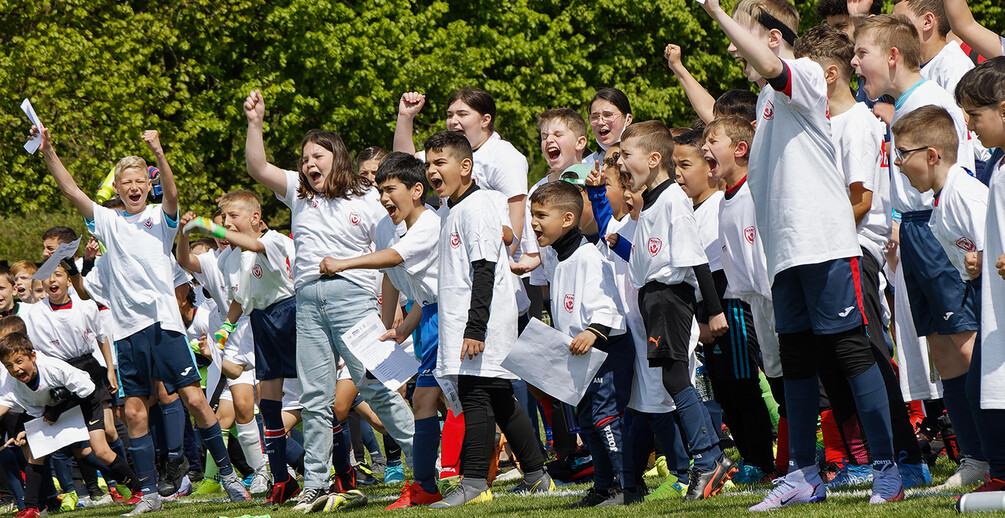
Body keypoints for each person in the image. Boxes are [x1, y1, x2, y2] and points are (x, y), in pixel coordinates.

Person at [702, 0, 903, 507]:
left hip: (825, 245)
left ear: (772, 38)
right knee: (795, 363)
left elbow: (775, 66)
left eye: (742, 31)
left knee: (852, 353)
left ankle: (887, 470)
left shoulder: (806, 75)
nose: (732, 44)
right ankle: (803, 475)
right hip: (786, 253)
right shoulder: (767, 102)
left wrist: (715, 11)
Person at [28, 123, 249, 515]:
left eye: (138, 181)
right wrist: (47, 150)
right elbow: (71, 190)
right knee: (132, 411)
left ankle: (229, 477)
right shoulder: (107, 222)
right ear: (116, 188)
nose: (132, 187)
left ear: (148, 186)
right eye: (124, 182)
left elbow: (173, 192)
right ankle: (148, 494)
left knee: (196, 400)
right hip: (128, 333)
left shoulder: (160, 217)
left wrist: (159, 152)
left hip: (164, 325)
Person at [241, 90, 415, 513]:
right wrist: (255, 122)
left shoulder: (368, 196)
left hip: (355, 300)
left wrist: (404, 117)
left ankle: (431, 466)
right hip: (308, 304)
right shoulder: (299, 193)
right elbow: (257, 167)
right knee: (316, 397)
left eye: (316, 156)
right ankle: (316, 485)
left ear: (336, 156)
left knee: (384, 384)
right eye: (303, 159)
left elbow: (408, 171)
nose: (308, 164)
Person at [852, 13, 985, 489]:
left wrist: (942, 232)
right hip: (912, 232)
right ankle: (974, 455)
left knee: (966, 342)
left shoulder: (929, 99)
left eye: (861, 53)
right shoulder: (903, 103)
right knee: (941, 349)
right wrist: (894, 226)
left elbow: (956, 171)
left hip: (935, 229)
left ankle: (994, 451)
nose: (854, 62)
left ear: (891, 56)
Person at [421, 130, 553, 508]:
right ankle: (537, 474)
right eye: (429, 163)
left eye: (439, 162)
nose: (432, 170)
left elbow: (484, 269)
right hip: (474, 324)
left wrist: (474, 328)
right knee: (499, 397)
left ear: (465, 167)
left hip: (481, 325)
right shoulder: (454, 208)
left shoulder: (476, 208)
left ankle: (474, 481)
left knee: (475, 395)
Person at [315, 152, 445, 509]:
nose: (384, 197)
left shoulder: (430, 224)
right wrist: (389, 327)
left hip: (449, 317)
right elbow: (392, 277)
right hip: (426, 315)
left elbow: (394, 258)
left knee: (455, 400)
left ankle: (473, 474)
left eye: (390, 189)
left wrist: (343, 264)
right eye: (380, 190)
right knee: (430, 400)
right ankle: (430, 483)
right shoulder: (388, 225)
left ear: (417, 190)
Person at [616, 120, 736, 501]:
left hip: (670, 299)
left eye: (626, 155)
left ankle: (706, 460)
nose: (620, 163)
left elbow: (695, 258)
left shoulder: (672, 201)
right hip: (655, 300)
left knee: (675, 379)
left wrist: (714, 311)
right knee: (672, 380)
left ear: (653, 159)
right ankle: (711, 457)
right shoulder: (651, 202)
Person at [530, 181, 636, 506]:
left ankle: (624, 485)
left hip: (605, 351)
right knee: (588, 422)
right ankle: (603, 487)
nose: (533, 223)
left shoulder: (589, 256)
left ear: (567, 219)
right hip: (580, 357)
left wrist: (592, 332)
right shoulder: (558, 260)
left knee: (605, 418)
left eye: (541, 215)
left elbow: (608, 305)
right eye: (532, 215)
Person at [0, 331, 142, 518]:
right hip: (56, 408)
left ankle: (139, 489)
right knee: (36, 454)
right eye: (9, 366)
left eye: (19, 361)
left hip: (86, 401)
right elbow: (36, 411)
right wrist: (27, 431)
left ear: (33, 356)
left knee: (100, 451)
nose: (16, 369)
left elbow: (88, 390)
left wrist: (56, 411)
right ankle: (31, 508)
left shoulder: (53, 368)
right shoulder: (16, 383)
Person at [393, 89, 528, 251]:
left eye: (462, 114)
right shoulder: (446, 151)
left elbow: (516, 213)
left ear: (485, 120)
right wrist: (405, 118)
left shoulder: (504, 155)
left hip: (489, 256)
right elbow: (404, 167)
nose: (453, 121)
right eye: (450, 115)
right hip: (452, 249)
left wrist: (506, 262)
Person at [956, 56, 1005, 494]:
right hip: (997, 303)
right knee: (982, 387)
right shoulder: (999, 165)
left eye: (974, 114)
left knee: (987, 388)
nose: (970, 126)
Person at [584, 88, 633, 167]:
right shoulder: (584, 166)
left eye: (608, 115)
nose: (600, 122)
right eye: (594, 117)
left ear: (627, 119)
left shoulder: (644, 161)